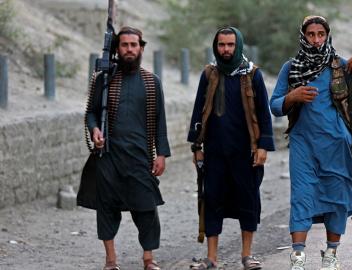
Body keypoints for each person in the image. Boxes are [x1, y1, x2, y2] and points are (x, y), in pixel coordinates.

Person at [269, 16, 352, 270]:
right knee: (302, 195)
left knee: (337, 198)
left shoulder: (340, 66)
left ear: (327, 35)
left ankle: (331, 255)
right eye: (311, 34)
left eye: (321, 34)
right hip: (303, 145)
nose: (317, 39)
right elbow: (275, 106)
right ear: (303, 36)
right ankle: (298, 257)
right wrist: (292, 96)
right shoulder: (291, 68)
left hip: (336, 145)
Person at [81, 26, 170, 270]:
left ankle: (148, 259)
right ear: (117, 49)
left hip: (140, 157)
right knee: (107, 208)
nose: (129, 50)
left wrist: (161, 154)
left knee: (146, 209)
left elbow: (160, 121)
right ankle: (111, 261)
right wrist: (94, 130)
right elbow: (91, 113)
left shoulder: (152, 82)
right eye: (124, 45)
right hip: (108, 155)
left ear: (141, 47)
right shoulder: (104, 80)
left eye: (133, 45)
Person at [187, 27, 275, 270]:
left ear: (239, 46)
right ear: (216, 46)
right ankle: (211, 259)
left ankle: (247, 256)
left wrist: (263, 146)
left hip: (245, 152)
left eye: (230, 45)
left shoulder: (252, 74)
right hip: (215, 152)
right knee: (211, 200)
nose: (225, 50)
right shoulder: (209, 74)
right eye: (221, 45)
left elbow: (263, 114)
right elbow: (198, 111)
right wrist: (197, 146)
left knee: (248, 201)